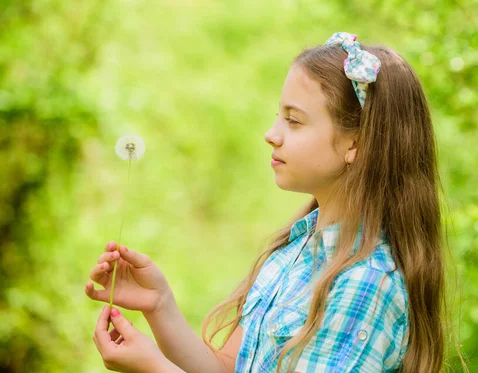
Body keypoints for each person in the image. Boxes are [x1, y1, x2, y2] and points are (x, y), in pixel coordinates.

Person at [86, 31, 451, 373]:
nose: (271, 134)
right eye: (279, 115)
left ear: (355, 143)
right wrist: (159, 304)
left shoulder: (365, 284)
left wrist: (155, 368)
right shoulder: (295, 251)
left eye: (294, 121)